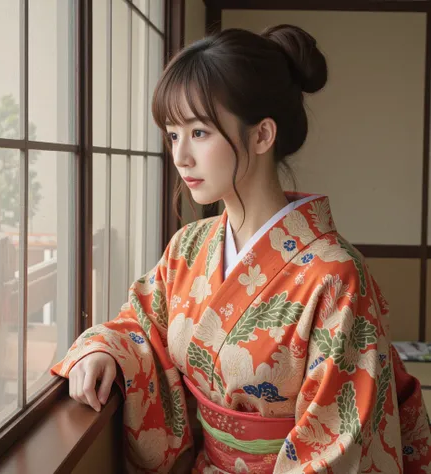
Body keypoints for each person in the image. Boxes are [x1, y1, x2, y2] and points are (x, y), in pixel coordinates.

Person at [51, 25, 431, 473]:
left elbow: (337, 441)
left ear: (262, 135)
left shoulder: (336, 276)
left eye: (199, 132)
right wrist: (103, 350)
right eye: (173, 135)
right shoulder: (189, 247)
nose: (180, 156)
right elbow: (141, 323)